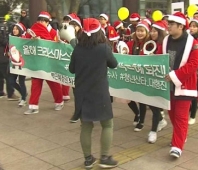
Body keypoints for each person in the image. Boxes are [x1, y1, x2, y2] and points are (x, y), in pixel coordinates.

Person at [69, 18, 118, 169]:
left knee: (86, 126)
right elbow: (114, 64)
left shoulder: (78, 48)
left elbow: (72, 69)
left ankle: (88, 159)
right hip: (100, 93)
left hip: (82, 93)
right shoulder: (103, 48)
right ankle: (104, 157)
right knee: (107, 124)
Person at [161, 12, 198, 158]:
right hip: (168, 84)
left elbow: (193, 64)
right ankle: (181, 135)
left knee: (181, 116)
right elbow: (160, 57)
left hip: (184, 85)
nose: (168, 26)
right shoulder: (166, 40)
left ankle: (177, 146)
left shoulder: (192, 43)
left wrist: (174, 76)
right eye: (168, 23)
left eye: (171, 24)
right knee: (171, 114)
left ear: (180, 26)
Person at [126, 20, 167, 143]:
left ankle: (153, 131)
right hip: (145, 77)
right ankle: (159, 120)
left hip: (158, 78)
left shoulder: (164, 44)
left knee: (154, 105)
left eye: (155, 31)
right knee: (150, 103)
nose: (153, 33)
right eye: (152, 31)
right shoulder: (149, 44)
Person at [24, 11, 63, 114]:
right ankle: (33, 106)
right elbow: (24, 42)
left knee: (54, 83)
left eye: (43, 21)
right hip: (37, 62)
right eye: (39, 20)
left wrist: (41, 40)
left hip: (49, 63)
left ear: (47, 22)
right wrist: (32, 39)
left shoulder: (54, 33)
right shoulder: (32, 30)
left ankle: (59, 101)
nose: (40, 23)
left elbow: (55, 47)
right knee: (35, 84)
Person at [8, 23, 27, 106]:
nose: (14, 30)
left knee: (21, 81)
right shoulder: (11, 38)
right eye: (14, 29)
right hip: (13, 63)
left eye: (16, 29)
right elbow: (7, 49)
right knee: (11, 81)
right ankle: (23, 93)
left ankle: (23, 98)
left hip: (22, 64)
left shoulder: (24, 39)